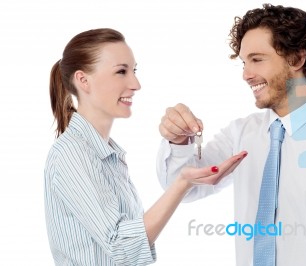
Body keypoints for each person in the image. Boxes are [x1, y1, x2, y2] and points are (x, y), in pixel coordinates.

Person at [156, 4, 306, 265]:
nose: (246, 74)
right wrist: (178, 142)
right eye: (244, 63)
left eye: (257, 60)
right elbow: (184, 188)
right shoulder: (240, 134)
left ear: (297, 59)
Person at [44, 28, 247, 266]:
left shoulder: (105, 153)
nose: (136, 84)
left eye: (134, 70)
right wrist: (182, 182)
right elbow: (123, 248)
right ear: (83, 80)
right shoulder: (72, 154)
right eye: (121, 72)